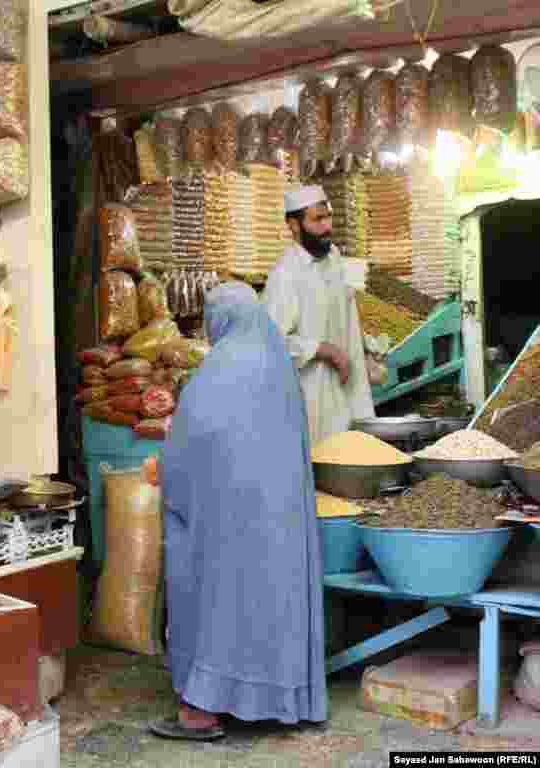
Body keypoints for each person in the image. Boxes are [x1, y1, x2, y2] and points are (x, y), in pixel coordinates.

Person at [151, 281, 326, 741]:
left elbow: (189, 449)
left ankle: (202, 708)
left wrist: (166, 469)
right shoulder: (280, 369)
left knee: (217, 601)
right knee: (272, 598)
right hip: (279, 520)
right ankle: (279, 699)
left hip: (226, 523)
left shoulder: (218, 371)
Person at [263, 184, 374, 445]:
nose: (327, 227)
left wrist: (364, 352)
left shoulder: (333, 258)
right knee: (321, 461)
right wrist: (323, 349)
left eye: (328, 217)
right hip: (311, 395)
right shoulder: (285, 275)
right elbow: (272, 342)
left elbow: (344, 315)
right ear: (293, 225)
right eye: (317, 219)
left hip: (348, 388)